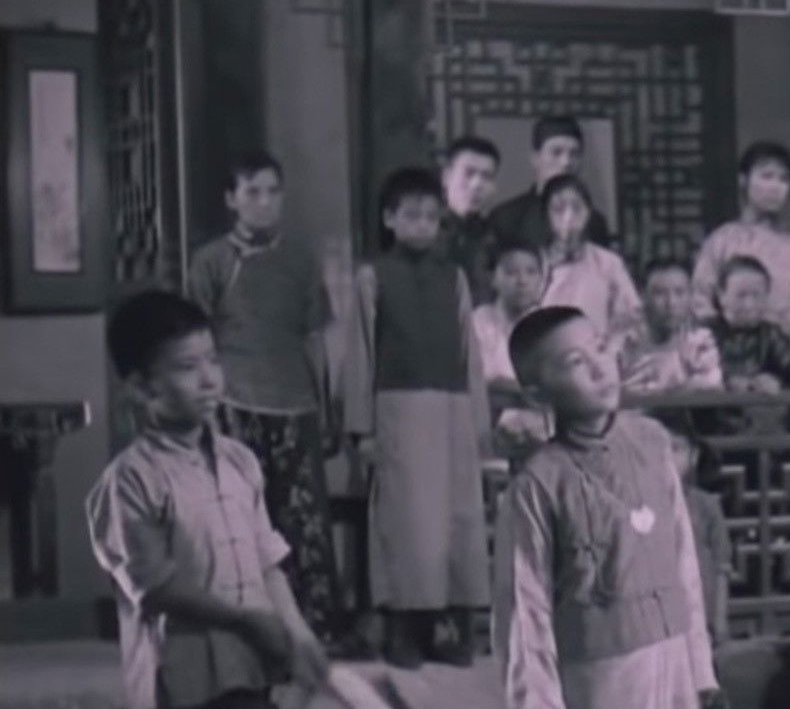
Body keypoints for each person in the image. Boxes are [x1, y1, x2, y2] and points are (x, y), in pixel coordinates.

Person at [85, 290, 330, 709]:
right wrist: (248, 621)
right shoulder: (130, 481)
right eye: (187, 367)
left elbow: (268, 559)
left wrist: (296, 632)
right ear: (140, 387)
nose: (209, 379)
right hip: (184, 696)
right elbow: (156, 588)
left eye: (213, 360)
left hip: (252, 685)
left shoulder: (241, 463)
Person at [497, 305, 728, 709]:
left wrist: (699, 668)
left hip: (668, 669)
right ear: (537, 391)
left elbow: (683, 561)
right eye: (576, 361)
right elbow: (524, 611)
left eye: (601, 347)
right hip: (597, 687)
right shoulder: (537, 482)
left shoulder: (652, 443)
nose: (602, 367)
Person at [185, 152, 352, 657]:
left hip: (295, 401)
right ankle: (246, 633)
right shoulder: (212, 261)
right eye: (252, 192)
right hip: (234, 402)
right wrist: (204, 406)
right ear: (231, 200)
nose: (264, 202)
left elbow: (315, 338)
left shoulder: (300, 260)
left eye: (273, 192)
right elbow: (196, 341)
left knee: (304, 521)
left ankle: (316, 630)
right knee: (238, 519)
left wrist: (326, 403)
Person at [340, 167, 491, 670]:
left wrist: (478, 419)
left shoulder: (454, 277)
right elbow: (359, 354)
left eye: (431, 216)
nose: (423, 225)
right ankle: (402, 629)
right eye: (411, 215)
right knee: (407, 524)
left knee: (455, 521)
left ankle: (447, 630)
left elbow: (470, 352)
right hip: (398, 411)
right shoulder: (372, 277)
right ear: (390, 219)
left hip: (452, 410)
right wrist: (362, 428)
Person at [660, 411, 737, 709]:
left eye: (675, 449)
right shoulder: (638, 508)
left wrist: (719, 617)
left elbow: (721, 565)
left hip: (698, 620)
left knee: (707, 696)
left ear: (693, 456)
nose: (667, 459)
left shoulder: (706, 506)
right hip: (657, 623)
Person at [691, 141, 790, 345]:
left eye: (783, 179)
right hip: (729, 346)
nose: (775, 187)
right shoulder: (721, 240)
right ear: (744, 180)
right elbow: (700, 301)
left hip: (787, 346)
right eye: (766, 176)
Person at [470, 240, 553, 462]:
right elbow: (482, 378)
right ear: (493, 278)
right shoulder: (478, 321)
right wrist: (526, 392)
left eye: (531, 272)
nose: (522, 281)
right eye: (511, 272)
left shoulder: (551, 325)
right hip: (488, 436)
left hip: (542, 438)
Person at [487, 116, 613, 252]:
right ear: (535, 158)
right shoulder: (506, 218)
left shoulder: (593, 221)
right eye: (556, 152)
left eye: (574, 154)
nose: (566, 162)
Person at [537, 175, 642, 339]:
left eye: (576, 208)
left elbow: (631, 317)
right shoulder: (535, 263)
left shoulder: (608, 263)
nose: (568, 218)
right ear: (546, 215)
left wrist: (609, 342)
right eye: (559, 209)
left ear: (588, 213)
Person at [705, 256, 790, 393]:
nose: (749, 304)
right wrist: (729, 382)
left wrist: (777, 383)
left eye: (756, 295)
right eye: (741, 295)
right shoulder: (703, 332)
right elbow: (691, 376)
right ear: (721, 296)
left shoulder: (770, 334)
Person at [619, 257, 723, 394]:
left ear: (690, 296)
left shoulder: (700, 341)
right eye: (660, 294)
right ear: (642, 295)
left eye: (679, 293)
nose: (671, 303)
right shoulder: (622, 343)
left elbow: (711, 384)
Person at [441, 135, 502, 300]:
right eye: (468, 174)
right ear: (446, 177)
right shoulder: (425, 232)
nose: (476, 185)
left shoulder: (498, 239)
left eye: (486, 177)